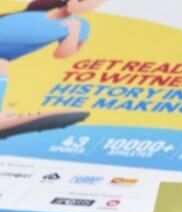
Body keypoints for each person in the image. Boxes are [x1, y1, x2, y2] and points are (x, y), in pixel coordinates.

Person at [0, 0, 105, 139]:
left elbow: (62, 54)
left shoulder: (81, 25)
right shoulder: (33, 13)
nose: (94, 5)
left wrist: (73, 32)